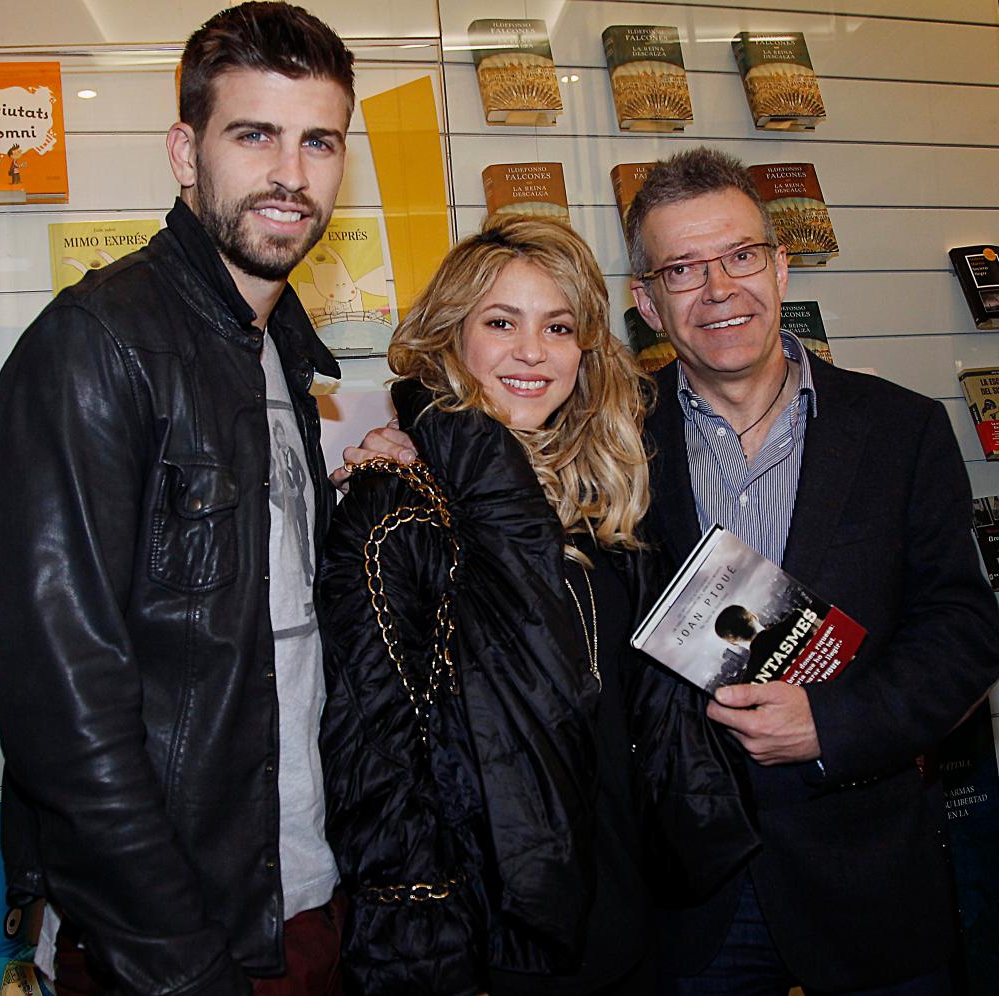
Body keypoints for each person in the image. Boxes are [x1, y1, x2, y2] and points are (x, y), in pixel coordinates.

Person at [0, 4, 355, 993]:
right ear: (187, 152)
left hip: (302, 900)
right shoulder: (93, 347)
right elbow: (65, 707)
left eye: (319, 140)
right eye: (255, 135)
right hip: (169, 941)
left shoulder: (281, 350)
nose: (292, 173)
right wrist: (177, 956)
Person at [319, 215, 758, 996]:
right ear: (450, 338)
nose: (532, 351)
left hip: (633, 919)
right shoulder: (400, 510)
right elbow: (378, 766)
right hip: (502, 946)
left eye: (558, 326)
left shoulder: (607, 499)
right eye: (500, 322)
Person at [624, 147, 999, 995]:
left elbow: (966, 633)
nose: (719, 290)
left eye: (741, 256)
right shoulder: (609, 439)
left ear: (780, 264)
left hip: (865, 878)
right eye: (682, 269)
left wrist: (831, 725)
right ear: (646, 302)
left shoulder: (901, 429)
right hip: (687, 895)